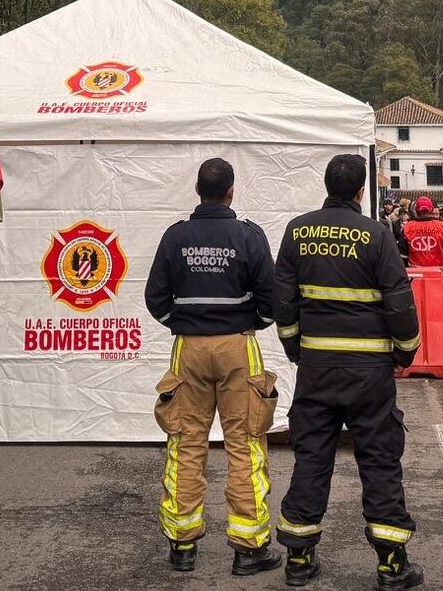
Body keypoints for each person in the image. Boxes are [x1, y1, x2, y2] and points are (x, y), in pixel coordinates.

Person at [274, 154, 425, 589]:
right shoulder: (377, 235)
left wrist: (295, 347)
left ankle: (299, 560)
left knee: (312, 458)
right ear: (362, 191)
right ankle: (392, 565)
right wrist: (405, 353)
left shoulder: (298, 231)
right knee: (379, 461)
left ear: (327, 185)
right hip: (370, 373)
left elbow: (282, 298)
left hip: (317, 368)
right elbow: (398, 301)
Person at [143, 157, 283, 575]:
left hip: (188, 350)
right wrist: (245, 324)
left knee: (186, 443)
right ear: (231, 190)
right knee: (244, 444)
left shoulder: (176, 237)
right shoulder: (248, 236)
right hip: (239, 347)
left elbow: (156, 299)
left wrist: (184, 323)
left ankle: (182, 546)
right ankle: (248, 548)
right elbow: (271, 299)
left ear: (198, 190)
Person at [402, 195, 443, 270]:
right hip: (439, 275)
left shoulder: (407, 228)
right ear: (431, 209)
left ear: (416, 210)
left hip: (415, 275)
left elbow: (402, 256)